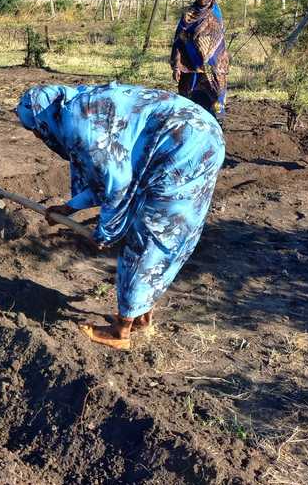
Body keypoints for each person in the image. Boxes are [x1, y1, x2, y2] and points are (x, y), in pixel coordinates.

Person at [16, 82, 224, 350]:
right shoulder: (77, 105)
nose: (36, 136)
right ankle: (139, 313)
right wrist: (69, 208)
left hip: (184, 145)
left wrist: (106, 231)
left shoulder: (79, 125)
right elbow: (107, 173)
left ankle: (121, 332)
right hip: (198, 135)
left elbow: (117, 182)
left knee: (150, 234)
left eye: (33, 129)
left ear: (42, 119)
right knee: (162, 232)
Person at [170, 0, 229, 120]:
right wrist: (176, 66)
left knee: (215, 99)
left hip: (213, 68)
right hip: (191, 67)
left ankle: (216, 127)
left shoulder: (216, 13)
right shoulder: (188, 15)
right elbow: (179, 41)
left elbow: (220, 42)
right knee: (189, 102)